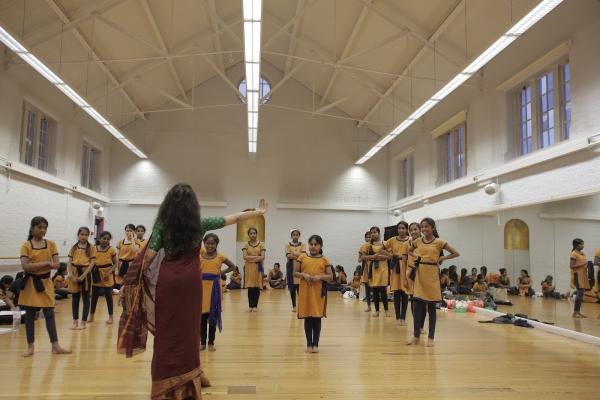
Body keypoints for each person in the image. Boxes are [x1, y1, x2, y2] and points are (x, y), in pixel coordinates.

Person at [117, 183, 267, 399]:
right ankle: (189, 379)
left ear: (168, 205)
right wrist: (257, 213)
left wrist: (129, 281)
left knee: (167, 330)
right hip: (191, 283)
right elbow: (232, 218)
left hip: (168, 282)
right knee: (189, 330)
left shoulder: (162, 226)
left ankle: (165, 382)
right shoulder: (199, 224)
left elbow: (148, 257)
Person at [18, 216, 71, 357]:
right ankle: (30, 346)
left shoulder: (51, 244)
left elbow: (57, 264)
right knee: (30, 316)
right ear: (32, 228)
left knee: (49, 314)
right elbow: (26, 266)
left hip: (46, 283)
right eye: (39, 227)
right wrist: (46, 263)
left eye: (45, 227)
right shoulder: (26, 245)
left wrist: (42, 264)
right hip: (30, 283)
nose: (42, 230)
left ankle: (55, 345)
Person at [407, 217, 459, 347]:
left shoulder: (439, 242)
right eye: (422, 227)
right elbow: (408, 251)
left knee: (431, 308)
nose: (424, 229)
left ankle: (431, 337)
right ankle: (416, 336)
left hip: (432, 275)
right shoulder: (418, 241)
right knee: (417, 306)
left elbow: (455, 253)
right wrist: (416, 257)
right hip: (420, 274)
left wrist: (442, 257)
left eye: (426, 226)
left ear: (433, 227)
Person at [294, 235, 333, 354]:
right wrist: (303, 275)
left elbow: (330, 277)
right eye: (311, 244)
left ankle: (316, 344)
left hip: (318, 291)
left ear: (320, 246)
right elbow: (295, 273)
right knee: (308, 317)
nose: (313, 246)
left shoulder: (325, 259)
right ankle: (308, 344)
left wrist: (320, 277)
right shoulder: (302, 257)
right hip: (305, 290)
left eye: (316, 244)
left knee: (316, 317)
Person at [199, 233, 236, 351]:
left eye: (212, 243)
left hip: (214, 289)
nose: (210, 246)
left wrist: (221, 273)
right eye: (207, 243)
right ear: (203, 243)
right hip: (201, 289)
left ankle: (211, 342)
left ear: (216, 244)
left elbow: (232, 266)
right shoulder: (199, 255)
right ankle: (202, 342)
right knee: (202, 318)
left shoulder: (220, 257)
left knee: (213, 317)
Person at [67, 227, 96, 330]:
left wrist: (84, 275)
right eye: (82, 234)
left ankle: (83, 323)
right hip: (74, 273)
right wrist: (70, 274)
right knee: (75, 298)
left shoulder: (91, 247)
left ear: (88, 236)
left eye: (86, 235)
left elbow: (92, 262)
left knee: (86, 298)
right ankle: (75, 322)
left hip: (85, 273)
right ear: (78, 235)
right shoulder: (74, 247)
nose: (84, 236)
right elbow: (69, 261)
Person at [360, 227, 391, 318]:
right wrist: (373, 257)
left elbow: (390, 256)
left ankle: (386, 310)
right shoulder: (367, 245)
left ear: (379, 233)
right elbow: (362, 257)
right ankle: (377, 310)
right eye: (371, 233)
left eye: (375, 232)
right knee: (375, 290)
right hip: (373, 269)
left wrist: (381, 256)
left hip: (383, 268)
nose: (373, 234)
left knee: (383, 290)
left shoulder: (385, 243)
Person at [385, 221, 410, 325]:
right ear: (397, 229)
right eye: (399, 228)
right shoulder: (392, 240)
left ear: (406, 229)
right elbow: (382, 249)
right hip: (395, 268)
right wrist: (390, 256)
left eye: (403, 228)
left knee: (405, 293)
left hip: (406, 267)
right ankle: (397, 317)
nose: (401, 230)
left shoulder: (411, 240)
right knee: (396, 293)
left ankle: (403, 318)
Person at [89, 231, 117, 325]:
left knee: (108, 296)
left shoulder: (112, 250)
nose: (105, 240)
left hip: (107, 275)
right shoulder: (93, 248)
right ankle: (91, 316)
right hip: (96, 273)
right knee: (94, 296)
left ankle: (111, 317)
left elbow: (115, 264)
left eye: (108, 239)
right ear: (100, 238)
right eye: (104, 238)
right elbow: (90, 261)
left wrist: (109, 272)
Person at [243, 227, 266, 311]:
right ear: (248, 235)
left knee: (256, 286)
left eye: (254, 233)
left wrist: (251, 258)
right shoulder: (246, 244)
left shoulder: (261, 244)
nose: (252, 235)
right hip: (249, 268)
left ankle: (255, 306)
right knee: (250, 287)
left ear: (256, 234)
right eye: (251, 233)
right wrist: (257, 257)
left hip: (257, 267)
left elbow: (262, 257)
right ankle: (250, 306)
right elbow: (244, 257)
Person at [285, 229, 305, 312]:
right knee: (292, 288)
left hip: (300, 267)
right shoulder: (287, 244)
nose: (295, 236)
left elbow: (303, 255)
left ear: (299, 236)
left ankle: (301, 305)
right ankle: (294, 306)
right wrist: (298, 255)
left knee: (300, 287)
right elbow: (288, 256)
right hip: (290, 267)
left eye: (297, 235)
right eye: (294, 235)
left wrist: (293, 254)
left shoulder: (303, 244)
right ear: (291, 236)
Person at [115, 224, 139, 290]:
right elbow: (117, 255)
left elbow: (134, 249)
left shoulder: (137, 241)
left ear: (134, 232)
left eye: (131, 231)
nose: (128, 232)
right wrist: (116, 268)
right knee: (120, 282)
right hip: (121, 263)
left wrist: (133, 239)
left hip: (131, 263)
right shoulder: (121, 242)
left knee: (129, 281)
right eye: (127, 230)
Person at [570, 238, 589, 318]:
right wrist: (583, 264)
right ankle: (575, 312)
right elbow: (571, 266)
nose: (582, 245)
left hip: (583, 275)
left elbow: (584, 264)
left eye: (583, 244)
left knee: (581, 293)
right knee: (580, 292)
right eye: (581, 244)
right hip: (577, 275)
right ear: (576, 245)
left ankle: (578, 311)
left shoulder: (582, 253)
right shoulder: (574, 253)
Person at [359, 231, 372, 311]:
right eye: (366, 237)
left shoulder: (376, 245)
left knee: (376, 287)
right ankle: (369, 306)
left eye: (369, 237)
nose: (368, 238)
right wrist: (365, 257)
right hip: (366, 268)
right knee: (367, 287)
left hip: (375, 268)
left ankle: (378, 307)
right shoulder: (362, 247)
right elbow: (359, 259)